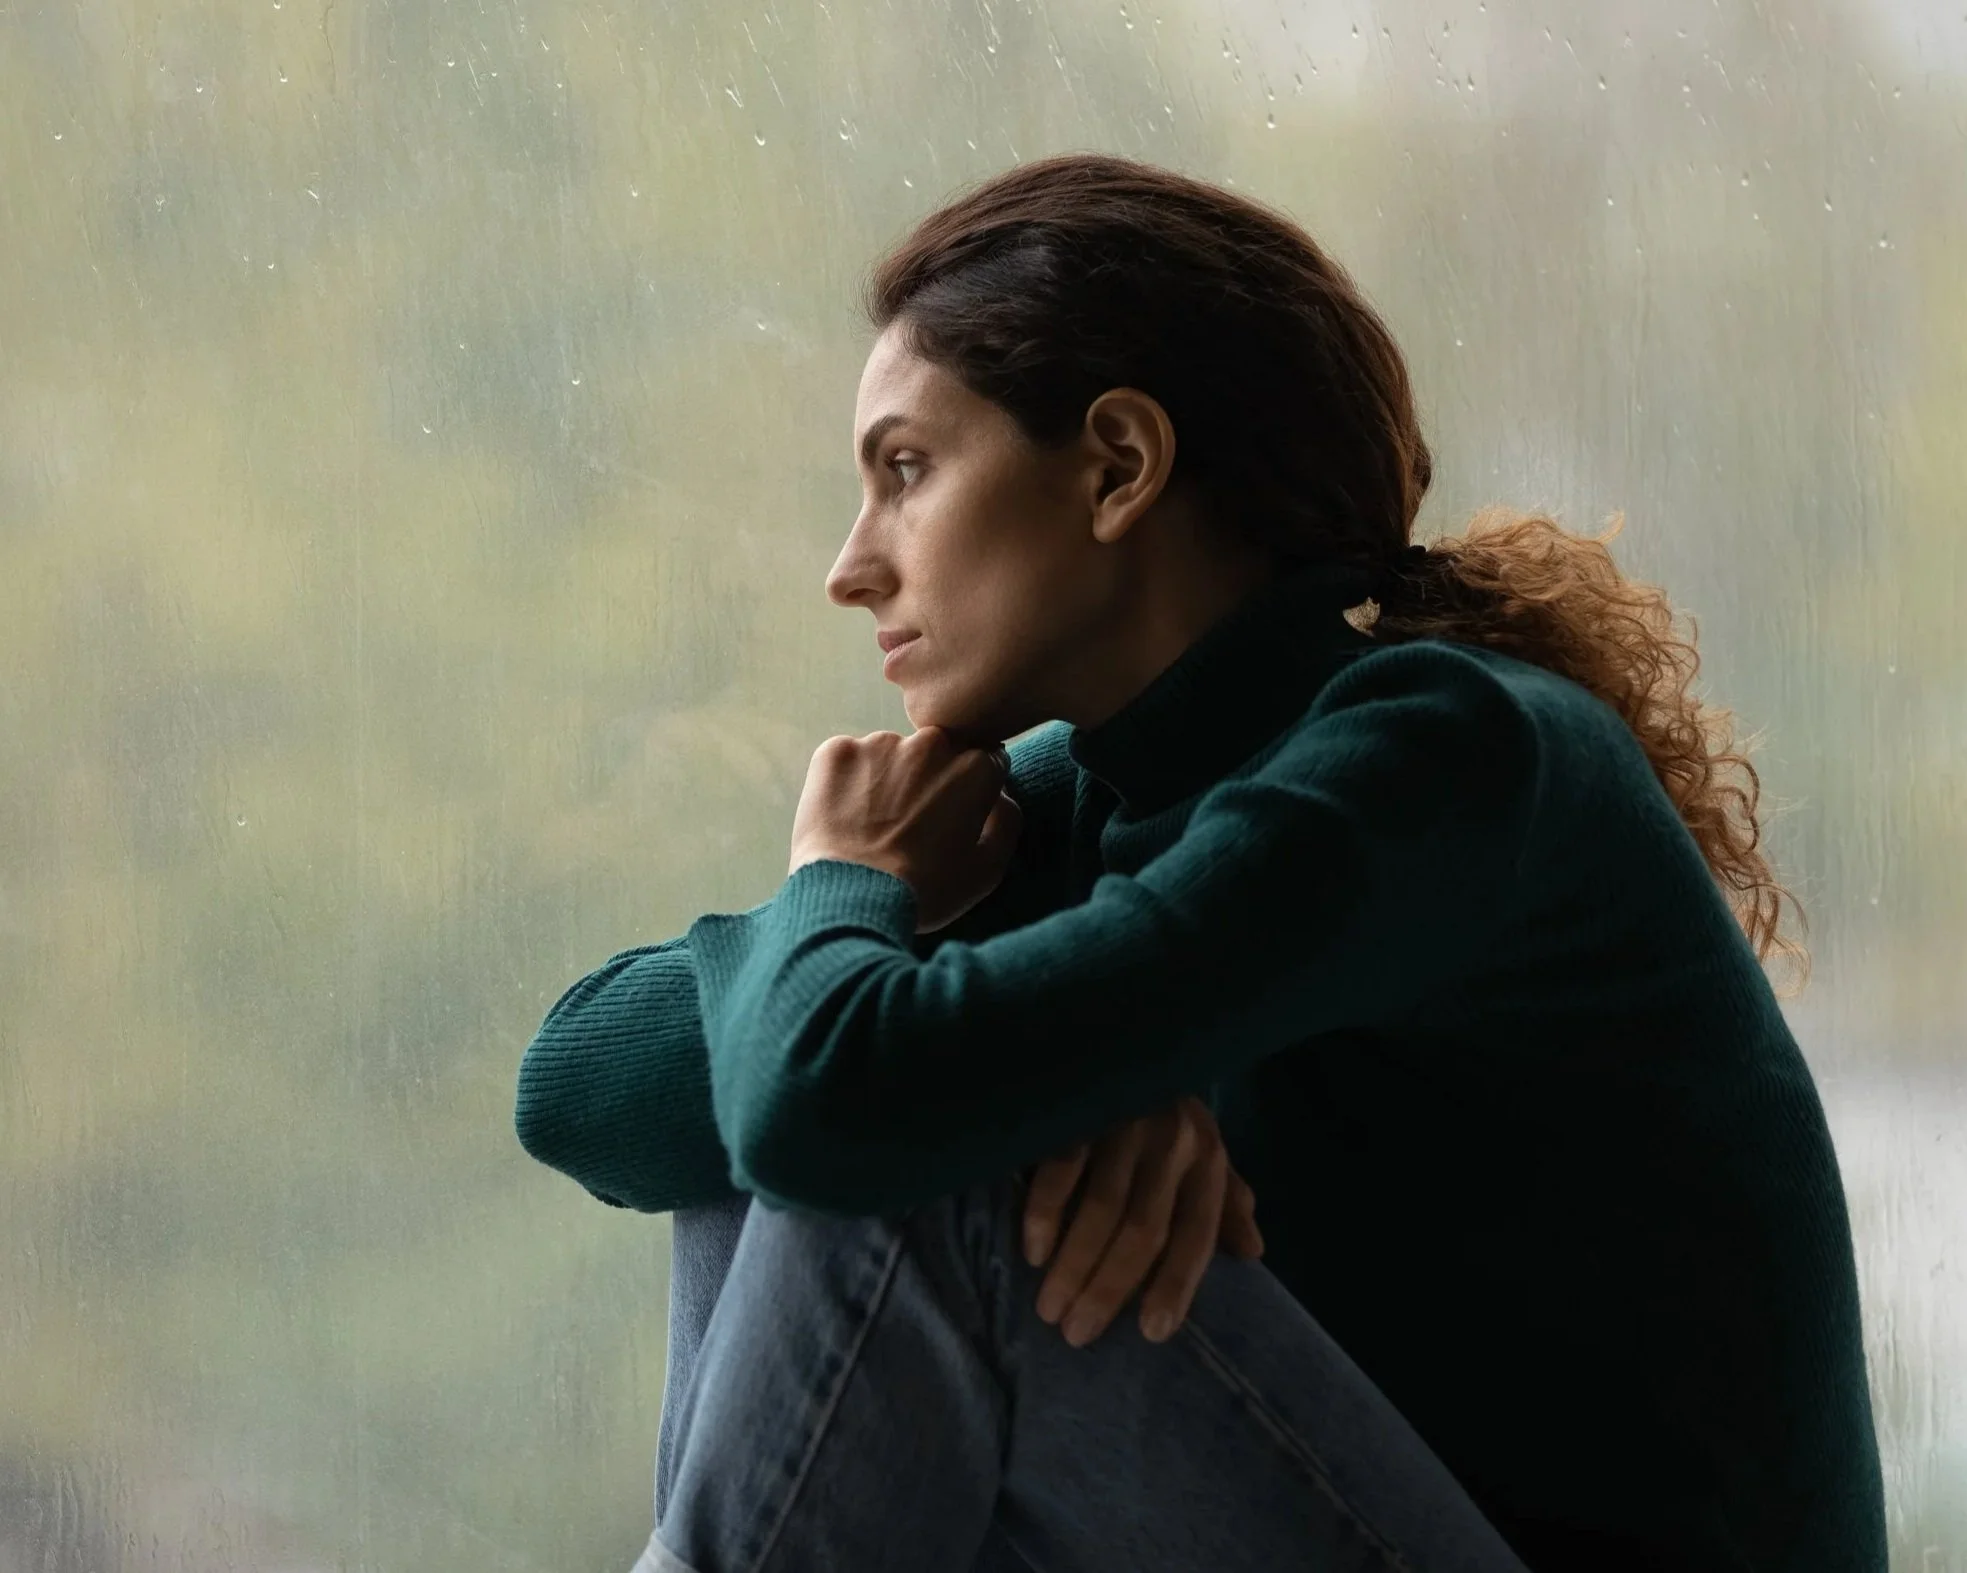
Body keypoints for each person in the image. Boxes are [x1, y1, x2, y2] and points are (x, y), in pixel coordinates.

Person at [513, 151, 1886, 1572]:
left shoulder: (1445, 752)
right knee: (770, 1099)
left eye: (905, 470)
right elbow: (576, 1092)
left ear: (1118, 465)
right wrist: (921, 949)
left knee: (878, 1120)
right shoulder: (1083, 796)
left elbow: (838, 1106)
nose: (849, 567)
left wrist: (846, 900)